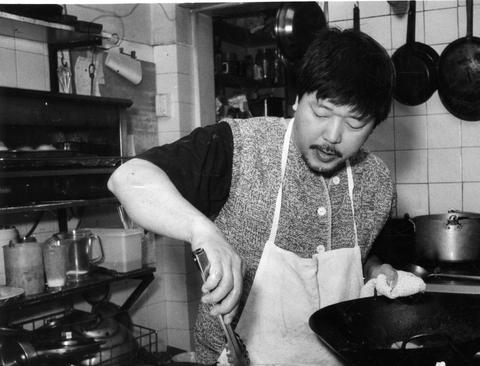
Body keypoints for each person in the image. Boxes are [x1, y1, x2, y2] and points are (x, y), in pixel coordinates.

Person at [108, 28, 403, 365]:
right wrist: (202, 231)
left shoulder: (376, 180)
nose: (333, 136)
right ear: (296, 99)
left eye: (355, 123)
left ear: (373, 126)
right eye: (321, 113)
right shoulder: (240, 147)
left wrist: (379, 271)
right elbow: (128, 178)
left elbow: (370, 255)